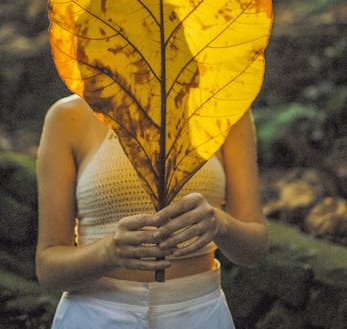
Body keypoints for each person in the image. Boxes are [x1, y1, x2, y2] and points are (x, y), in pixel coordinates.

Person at [36, 93, 268, 328]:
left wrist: (220, 223)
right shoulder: (69, 115)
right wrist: (108, 252)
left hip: (199, 314)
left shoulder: (227, 105)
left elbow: (255, 249)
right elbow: (49, 269)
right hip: (97, 315)